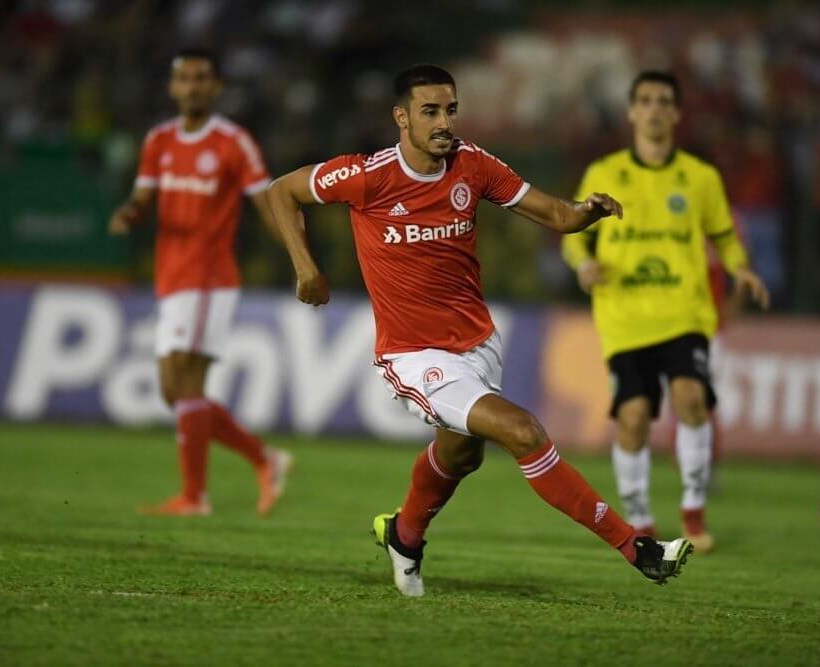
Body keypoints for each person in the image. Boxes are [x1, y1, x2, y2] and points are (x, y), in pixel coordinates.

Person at [266, 64, 693, 597]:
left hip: (477, 344)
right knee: (523, 431)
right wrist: (306, 267)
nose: (444, 121)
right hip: (414, 355)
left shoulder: (473, 165)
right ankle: (638, 548)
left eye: (450, 109)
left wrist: (588, 212)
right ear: (401, 118)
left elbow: (556, 215)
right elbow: (281, 192)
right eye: (430, 112)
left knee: (462, 455)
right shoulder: (366, 175)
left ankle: (404, 535)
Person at [562, 71, 769, 554]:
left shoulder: (700, 178)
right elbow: (576, 233)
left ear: (676, 114)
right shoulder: (604, 173)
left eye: (663, 102)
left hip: (685, 313)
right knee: (633, 417)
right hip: (624, 317)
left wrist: (740, 268)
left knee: (692, 398)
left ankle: (694, 513)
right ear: (632, 112)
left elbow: (722, 234)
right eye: (645, 101)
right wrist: (583, 264)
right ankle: (639, 519)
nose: (654, 109)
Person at [108, 47, 292, 516]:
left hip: (210, 279)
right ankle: (262, 458)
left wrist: (298, 256)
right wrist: (130, 214)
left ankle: (196, 496)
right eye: (184, 78)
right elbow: (142, 197)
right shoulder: (159, 140)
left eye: (201, 78)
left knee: (183, 386)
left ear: (215, 87)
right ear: (173, 87)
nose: (191, 86)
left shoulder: (233, 142)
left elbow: (266, 201)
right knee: (177, 392)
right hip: (170, 278)